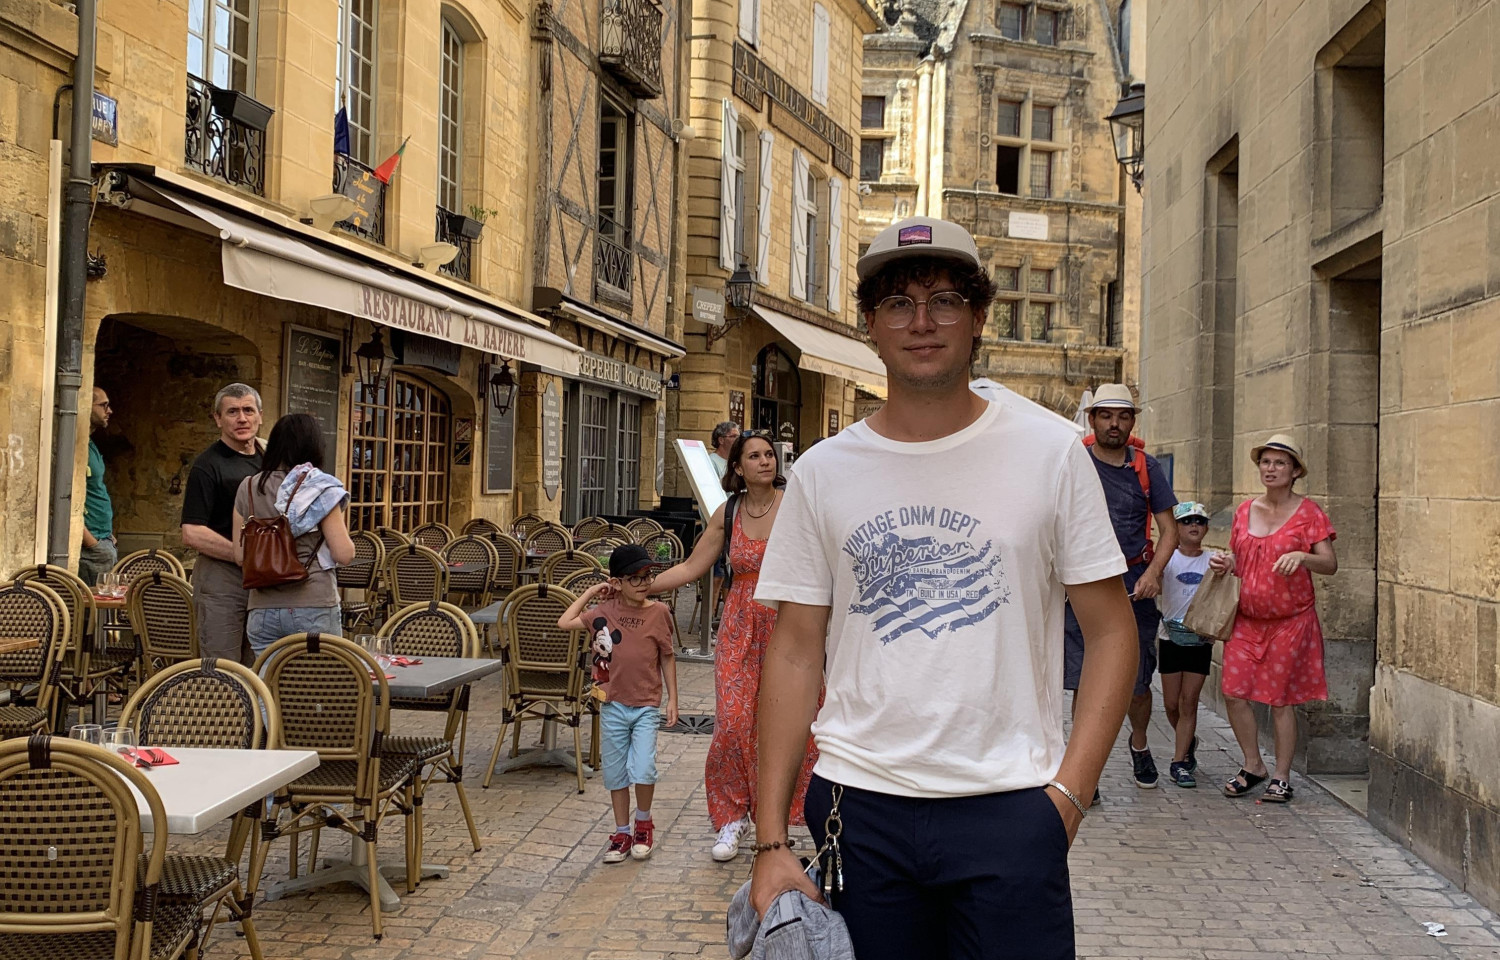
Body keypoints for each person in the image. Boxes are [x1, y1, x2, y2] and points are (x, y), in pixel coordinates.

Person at [748, 216, 1139, 960]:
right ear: (870, 324)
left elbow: (1112, 631)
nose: (922, 322)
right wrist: (771, 839)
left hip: (1012, 806)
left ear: (979, 316)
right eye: (898, 303)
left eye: (945, 301)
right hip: (859, 809)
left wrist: (1069, 796)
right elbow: (795, 651)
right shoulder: (824, 471)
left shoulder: (1053, 453)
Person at [650, 431, 819, 863]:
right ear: (738, 468)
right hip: (740, 627)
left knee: (794, 723)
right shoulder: (729, 512)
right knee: (732, 721)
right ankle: (732, 814)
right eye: (755, 456)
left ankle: (788, 816)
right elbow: (691, 566)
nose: (765, 461)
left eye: (769, 455)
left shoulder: (794, 507)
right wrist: (639, 588)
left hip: (787, 625)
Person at [1210, 435, 1337, 804]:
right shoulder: (1243, 510)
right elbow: (1241, 557)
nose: (1271, 468)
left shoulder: (1309, 513)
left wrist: (1303, 556)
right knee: (1234, 692)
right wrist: (1225, 563)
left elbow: (1329, 563)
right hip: (1246, 619)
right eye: (1265, 462)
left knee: (1280, 700)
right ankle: (1253, 765)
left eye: (1280, 463)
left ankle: (1281, 775)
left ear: (1295, 471)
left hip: (1289, 621)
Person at [1063, 384, 1178, 790]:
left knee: (1137, 684)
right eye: (1107, 416)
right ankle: (1082, 770)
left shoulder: (1146, 468)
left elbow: (1170, 531)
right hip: (1083, 587)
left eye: (1123, 416)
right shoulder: (1074, 464)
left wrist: (1154, 573)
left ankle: (1140, 742)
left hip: (1134, 589)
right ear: (1093, 419)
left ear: (1132, 422)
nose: (1115, 424)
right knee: (1083, 680)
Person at [558, 544, 680, 863]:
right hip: (612, 704)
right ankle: (622, 831)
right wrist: (591, 592)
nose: (644, 582)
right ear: (617, 582)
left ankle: (643, 824)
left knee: (644, 768)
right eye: (635, 577)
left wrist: (673, 699)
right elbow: (565, 622)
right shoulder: (604, 612)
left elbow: (667, 656)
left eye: (647, 576)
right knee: (615, 773)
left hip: (646, 705)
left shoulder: (659, 613)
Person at [231, 414, 356, 657]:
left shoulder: (248, 487)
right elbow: (344, 554)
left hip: (262, 608)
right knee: (320, 680)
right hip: (313, 602)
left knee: (269, 680)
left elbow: (239, 555)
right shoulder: (320, 488)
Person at [181, 383, 264, 664]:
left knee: (260, 666)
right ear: (218, 419)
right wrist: (243, 555)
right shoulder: (207, 465)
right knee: (222, 668)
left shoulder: (270, 459)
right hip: (221, 579)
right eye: (232, 412)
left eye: (248, 410)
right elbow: (192, 532)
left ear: (260, 416)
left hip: (264, 581)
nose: (242, 418)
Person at [1156, 501, 1214, 788]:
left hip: (1199, 640)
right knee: (1171, 704)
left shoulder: (1214, 560)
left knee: (1188, 702)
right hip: (1169, 637)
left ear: (1206, 528)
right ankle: (1187, 740)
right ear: (1176, 527)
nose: (1194, 525)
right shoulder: (1166, 559)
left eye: (1200, 521)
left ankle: (1179, 762)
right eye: (1187, 521)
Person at [79, 386, 117, 586]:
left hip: (102, 540)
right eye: (103, 405)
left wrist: (106, 536)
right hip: (91, 548)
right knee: (91, 605)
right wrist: (91, 542)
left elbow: (95, 490)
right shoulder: (75, 447)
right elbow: (64, 499)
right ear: (86, 405)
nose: (109, 411)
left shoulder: (89, 444)